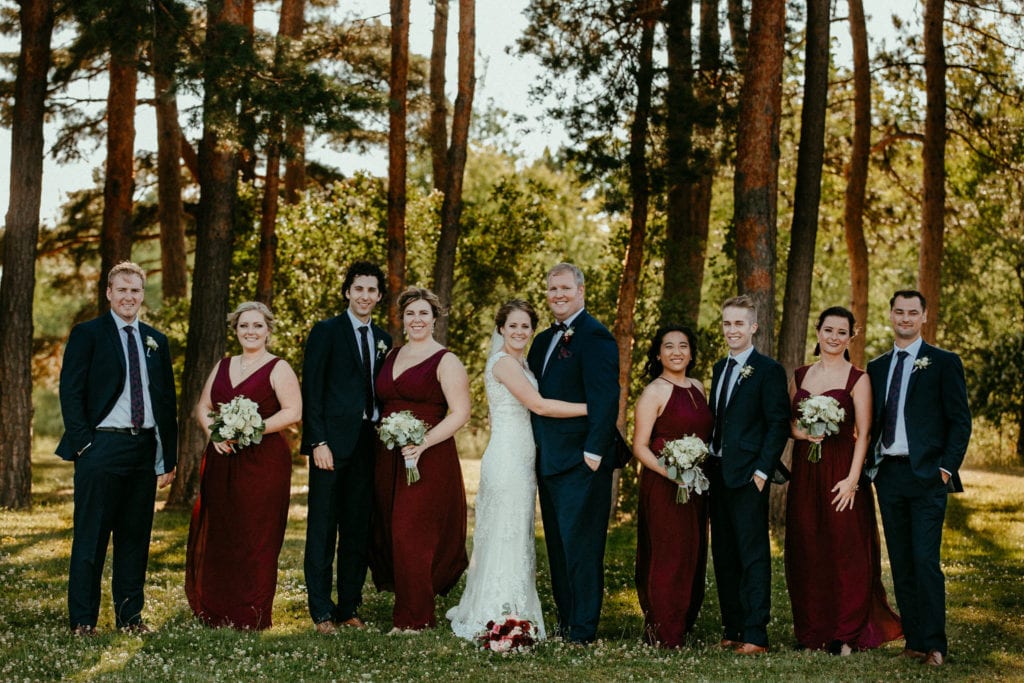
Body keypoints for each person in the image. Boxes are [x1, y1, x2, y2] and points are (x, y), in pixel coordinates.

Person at [446, 300, 588, 641]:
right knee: (505, 530)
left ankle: (512, 601)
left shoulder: (521, 362)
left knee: (515, 529)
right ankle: (497, 606)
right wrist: (591, 407)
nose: (520, 332)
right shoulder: (505, 363)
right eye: (513, 326)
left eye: (526, 326)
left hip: (522, 454)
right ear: (500, 329)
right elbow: (538, 405)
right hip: (508, 457)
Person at [56, 261, 177, 635]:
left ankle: (130, 618)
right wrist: (84, 444)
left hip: (143, 450)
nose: (129, 296)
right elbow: (71, 391)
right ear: (109, 293)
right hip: (101, 446)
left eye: (135, 290)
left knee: (135, 539)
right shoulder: (88, 334)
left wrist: (167, 458)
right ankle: (83, 621)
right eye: (122, 289)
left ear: (143, 295)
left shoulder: (156, 340)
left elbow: (167, 402)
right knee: (91, 537)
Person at [785, 306, 901, 654]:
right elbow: (789, 424)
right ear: (817, 332)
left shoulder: (858, 378)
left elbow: (864, 434)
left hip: (843, 471)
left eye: (841, 332)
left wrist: (852, 481)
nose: (834, 337)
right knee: (807, 549)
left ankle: (845, 634)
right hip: (807, 470)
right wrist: (804, 434)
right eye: (828, 330)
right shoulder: (801, 375)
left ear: (852, 336)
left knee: (844, 552)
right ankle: (811, 633)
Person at [867, 290, 971, 667]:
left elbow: (960, 421)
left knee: (925, 559)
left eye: (913, 312)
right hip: (889, 475)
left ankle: (935, 644)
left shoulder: (943, 362)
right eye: (899, 312)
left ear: (924, 317)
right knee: (901, 559)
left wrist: (945, 468)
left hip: (928, 474)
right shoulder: (877, 368)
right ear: (891, 316)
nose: (906, 318)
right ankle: (913, 638)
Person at [185, 302, 301, 630]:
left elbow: (293, 411)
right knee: (224, 531)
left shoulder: (278, 367)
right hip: (223, 458)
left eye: (257, 326)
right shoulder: (223, 366)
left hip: (264, 462)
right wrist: (214, 432)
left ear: (268, 330)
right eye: (243, 326)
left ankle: (252, 612)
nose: (250, 331)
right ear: (235, 330)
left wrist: (253, 427)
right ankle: (217, 608)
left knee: (257, 533)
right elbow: (204, 406)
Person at [526, 263, 619, 644]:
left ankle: (582, 629)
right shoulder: (544, 339)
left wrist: (594, 452)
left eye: (565, 288)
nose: (558, 295)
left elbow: (606, 397)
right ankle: (566, 621)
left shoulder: (596, 337)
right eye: (552, 289)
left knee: (582, 548)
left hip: (582, 461)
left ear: (581, 291)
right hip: (549, 459)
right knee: (560, 548)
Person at [370, 287, 471, 632]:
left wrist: (423, 443)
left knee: (411, 533)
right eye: (410, 313)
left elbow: (460, 413)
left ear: (434, 318)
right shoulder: (391, 356)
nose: (416, 320)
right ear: (402, 318)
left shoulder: (446, 360)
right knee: (391, 529)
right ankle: (409, 603)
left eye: (423, 314)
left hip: (428, 457)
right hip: (389, 457)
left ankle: (415, 619)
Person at [300, 261, 392, 634]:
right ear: (347, 292)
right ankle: (322, 611)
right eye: (359, 289)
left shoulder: (384, 337)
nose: (365, 296)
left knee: (357, 529)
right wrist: (317, 441)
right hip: (330, 447)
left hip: (369, 445)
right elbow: (312, 390)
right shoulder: (326, 332)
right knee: (322, 529)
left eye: (372, 290)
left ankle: (349, 607)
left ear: (379, 296)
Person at [707, 294, 790, 655]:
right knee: (723, 552)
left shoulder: (768, 370)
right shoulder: (718, 369)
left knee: (753, 554)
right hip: (717, 473)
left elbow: (777, 424)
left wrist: (761, 471)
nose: (732, 330)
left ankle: (756, 634)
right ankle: (733, 628)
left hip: (748, 476)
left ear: (753, 327)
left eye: (739, 323)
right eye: (727, 323)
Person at [632, 325, 714, 648]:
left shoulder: (698, 387)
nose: (677, 351)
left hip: (696, 486)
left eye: (683, 345)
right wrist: (671, 473)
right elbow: (640, 445)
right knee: (668, 554)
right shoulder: (654, 392)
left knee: (692, 554)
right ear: (658, 353)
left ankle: (682, 621)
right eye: (669, 346)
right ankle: (663, 631)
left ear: (691, 353)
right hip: (665, 485)